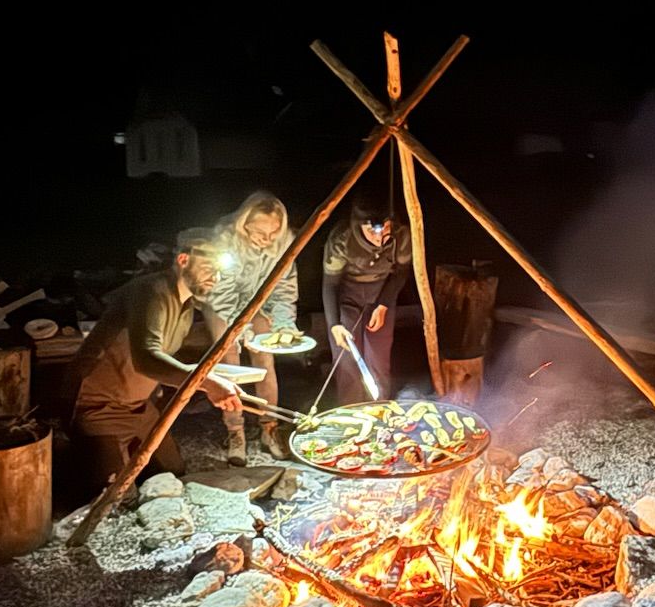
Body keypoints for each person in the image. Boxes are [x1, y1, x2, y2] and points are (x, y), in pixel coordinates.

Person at [69, 231, 244, 487]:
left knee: (172, 473)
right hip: (99, 405)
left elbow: (163, 356)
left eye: (219, 272)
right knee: (113, 493)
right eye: (208, 267)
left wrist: (211, 377)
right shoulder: (150, 291)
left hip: (140, 407)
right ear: (184, 260)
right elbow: (147, 359)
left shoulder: (185, 305)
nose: (214, 278)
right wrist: (205, 382)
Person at [200, 191, 299, 465]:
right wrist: (238, 329)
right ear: (244, 224)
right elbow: (223, 292)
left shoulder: (284, 243)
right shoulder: (224, 240)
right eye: (259, 233)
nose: (266, 240)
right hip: (221, 301)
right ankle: (236, 431)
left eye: (272, 233)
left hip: (259, 300)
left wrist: (284, 323)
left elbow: (284, 287)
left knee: (265, 353)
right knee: (230, 355)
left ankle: (269, 428)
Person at [321, 196, 410, 403]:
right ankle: (352, 413)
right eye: (374, 232)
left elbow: (401, 273)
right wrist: (335, 325)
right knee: (347, 359)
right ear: (359, 225)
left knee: (378, 359)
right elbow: (330, 284)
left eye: (386, 230)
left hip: (381, 294)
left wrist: (384, 304)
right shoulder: (342, 238)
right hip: (347, 297)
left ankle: (379, 411)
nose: (381, 239)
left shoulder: (400, 235)